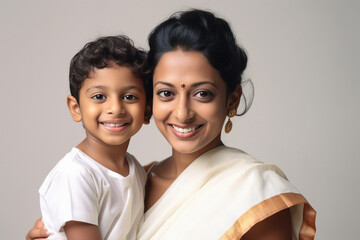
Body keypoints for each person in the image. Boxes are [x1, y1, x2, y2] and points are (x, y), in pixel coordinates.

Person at [26, 9, 316, 240]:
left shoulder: (255, 195)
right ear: (150, 101)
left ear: (232, 100)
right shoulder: (140, 179)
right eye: (166, 92)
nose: (182, 112)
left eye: (202, 93)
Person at [36, 36, 152, 240]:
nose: (115, 108)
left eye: (129, 97)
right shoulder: (76, 175)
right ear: (76, 108)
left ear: (147, 111)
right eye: (99, 97)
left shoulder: (135, 170)